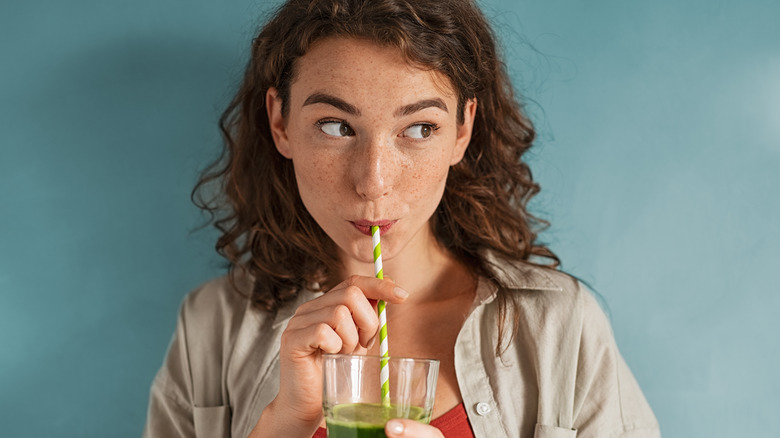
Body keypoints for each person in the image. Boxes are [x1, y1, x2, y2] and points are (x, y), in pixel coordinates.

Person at [143, 0, 660, 437]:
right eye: (335, 125)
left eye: (419, 129)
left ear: (463, 130)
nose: (373, 181)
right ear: (280, 123)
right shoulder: (210, 327)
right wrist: (281, 424)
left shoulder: (560, 325)